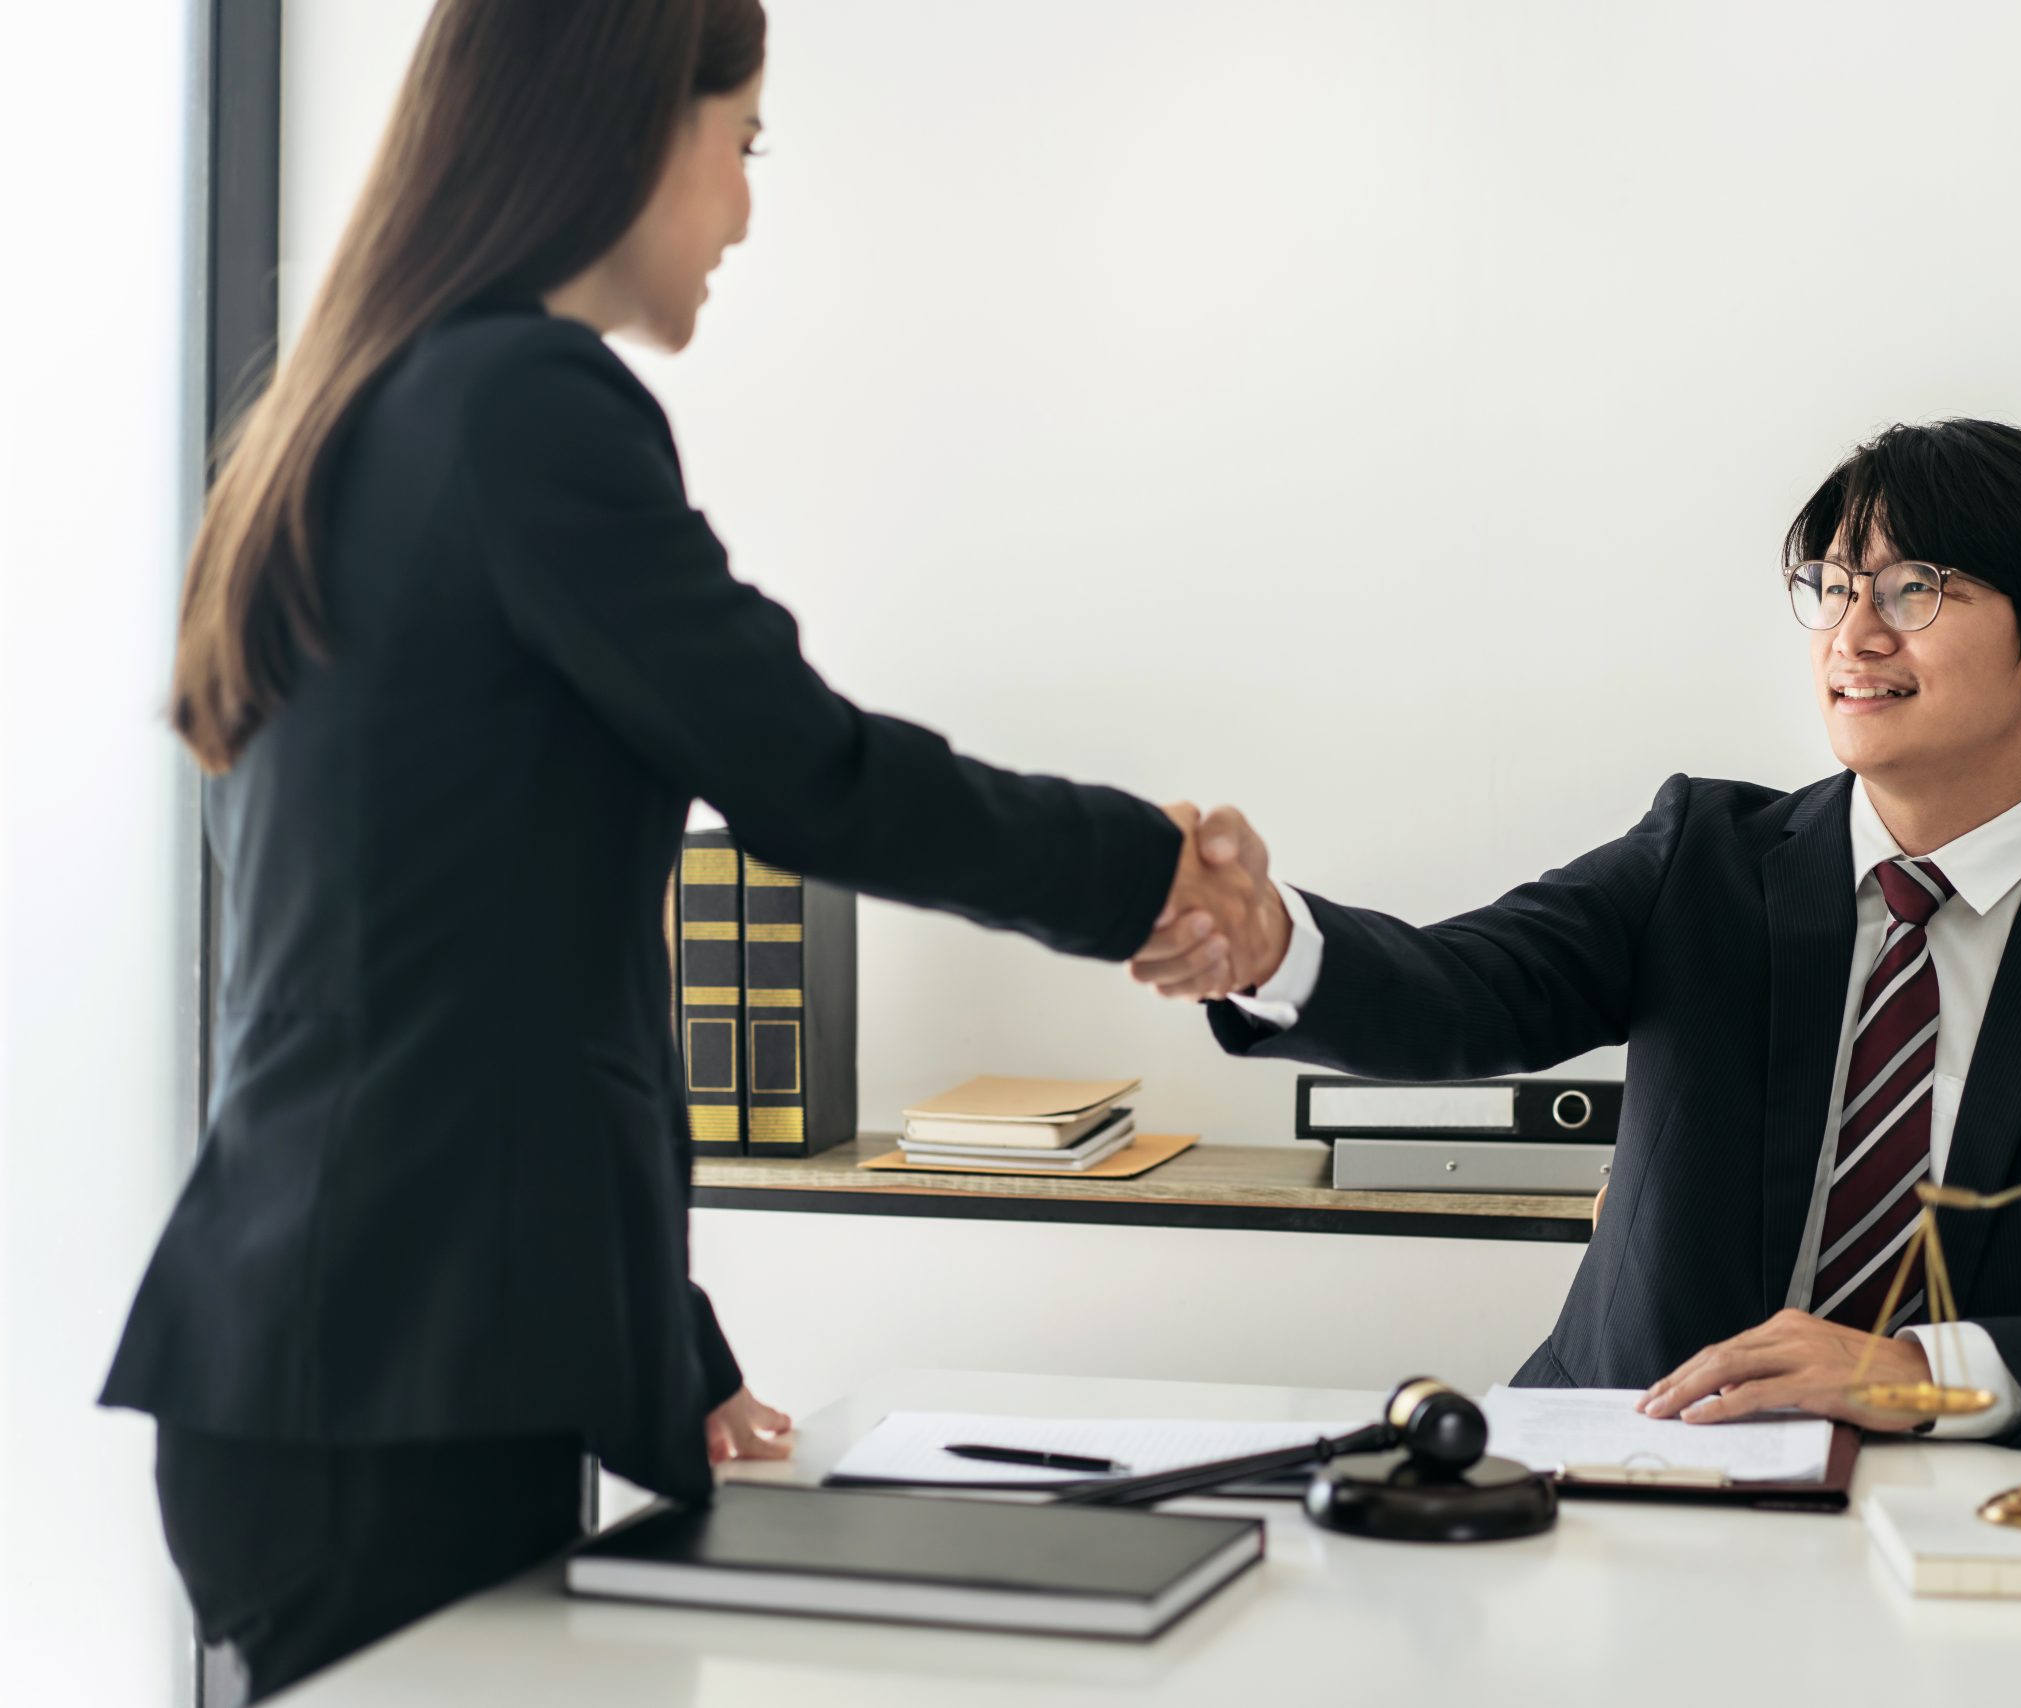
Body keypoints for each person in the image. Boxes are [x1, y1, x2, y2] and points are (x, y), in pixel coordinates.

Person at [102, 2, 1276, 1698]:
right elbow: (802, 768)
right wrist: (1140, 870)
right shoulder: (521, 401)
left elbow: (472, 962)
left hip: (334, 1358)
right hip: (395, 1386)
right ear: (633, 127)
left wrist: (663, 1341)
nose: (743, 208)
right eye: (745, 144)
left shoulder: (348, 415)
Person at [1141, 418, 2021, 1447]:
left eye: (1913, 589)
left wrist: (1924, 1370)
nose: (1851, 634)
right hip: (1626, 1462)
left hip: (1960, 1508)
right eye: (1830, 586)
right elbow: (1468, 985)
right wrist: (1273, 947)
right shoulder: (1699, 862)